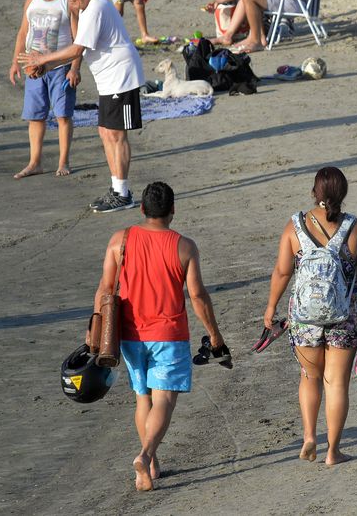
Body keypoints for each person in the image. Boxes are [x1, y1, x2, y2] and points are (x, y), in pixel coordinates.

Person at [91, 181, 227, 490]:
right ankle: (145, 453)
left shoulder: (120, 240)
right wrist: (214, 335)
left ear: (141, 209)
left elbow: (104, 289)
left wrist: (96, 333)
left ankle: (150, 467)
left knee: (143, 397)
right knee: (164, 397)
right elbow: (197, 296)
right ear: (173, 211)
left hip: (129, 334)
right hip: (169, 334)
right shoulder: (184, 246)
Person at [262, 166, 357, 465]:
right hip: (344, 318)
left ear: (315, 192)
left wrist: (271, 307)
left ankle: (310, 436)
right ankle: (333, 451)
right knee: (336, 383)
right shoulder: (356, 228)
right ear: (343, 194)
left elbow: (283, 271)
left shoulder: (294, 226)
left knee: (310, 376)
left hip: (305, 318)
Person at [18, 0, 146, 213]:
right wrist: (44, 66)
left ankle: (123, 193)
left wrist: (43, 59)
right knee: (105, 132)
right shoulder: (87, 10)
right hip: (108, 79)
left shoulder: (96, 6)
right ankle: (117, 189)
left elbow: (76, 50)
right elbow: (77, 49)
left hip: (122, 76)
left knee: (116, 135)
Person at [8, 0, 82, 179]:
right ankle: (35, 162)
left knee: (62, 115)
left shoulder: (67, 1)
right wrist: (15, 62)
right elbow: (23, 32)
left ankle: (63, 161)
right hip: (33, 67)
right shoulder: (31, 0)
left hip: (60, 66)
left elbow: (79, 38)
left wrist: (75, 68)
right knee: (35, 116)